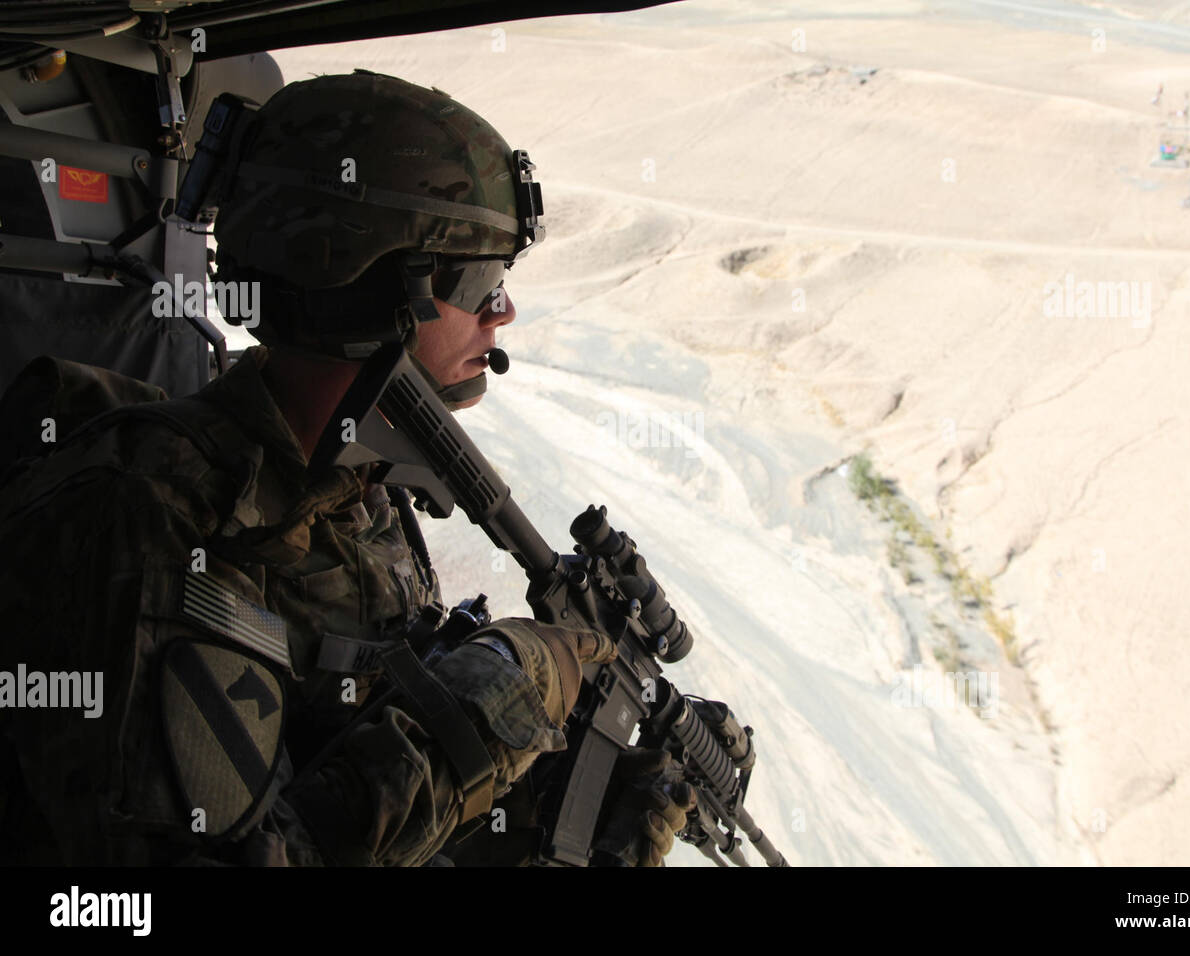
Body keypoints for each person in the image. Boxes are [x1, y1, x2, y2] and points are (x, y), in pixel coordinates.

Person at [0, 70, 692, 866]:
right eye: (480, 282)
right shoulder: (141, 515)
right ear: (367, 286)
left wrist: (557, 800)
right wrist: (505, 690)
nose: (504, 312)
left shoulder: (365, 499)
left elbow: (342, 767)